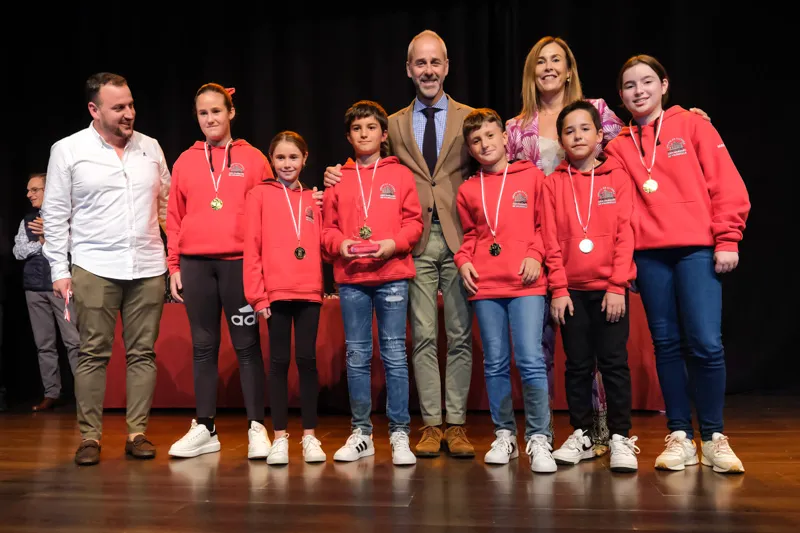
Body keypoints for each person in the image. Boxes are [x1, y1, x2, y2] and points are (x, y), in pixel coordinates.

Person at [505, 35, 710, 452]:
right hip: (541, 244)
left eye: (556, 60)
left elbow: (639, 139)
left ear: (568, 69)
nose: (547, 67)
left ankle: (607, 432)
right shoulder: (514, 128)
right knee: (551, 349)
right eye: (539, 61)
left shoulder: (598, 112)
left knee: (605, 353)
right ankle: (545, 434)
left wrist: (683, 119)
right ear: (531, 70)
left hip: (597, 243)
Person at [325, 30, 476, 458]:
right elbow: (367, 167)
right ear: (409, 69)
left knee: (460, 334)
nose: (428, 71)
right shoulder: (389, 122)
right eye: (420, 63)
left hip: (461, 237)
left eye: (435, 63)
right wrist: (335, 175)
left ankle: (458, 424)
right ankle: (430, 424)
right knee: (423, 336)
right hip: (414, 243)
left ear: (446, 67)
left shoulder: (469, 117)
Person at [604, 54, 750, 474]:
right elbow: (615, 206)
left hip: (696, 249)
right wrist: (625, 261)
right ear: (621, 95)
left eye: (647, 82)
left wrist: (728, 237)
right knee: (665, 345)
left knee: (705, 342)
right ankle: (680, 435)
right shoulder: (618, 146)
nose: (639, 91)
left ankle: (716, 436)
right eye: (630, 86)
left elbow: (726, 183)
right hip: (649, 256)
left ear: (664, 85)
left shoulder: (693, 125)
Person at [41, 72, 171, 465]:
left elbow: (167, 204)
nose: (129, 113)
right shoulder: (68, 149)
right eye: (119, 108)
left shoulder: (150, 148)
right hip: (94, 265)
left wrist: (174, 255)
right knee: (93, 353)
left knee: (142, 353)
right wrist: (59, 271)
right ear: (94, 110)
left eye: (131, 105)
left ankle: (137, 433)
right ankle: (90, 437)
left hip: (147, 265)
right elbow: (56, 213)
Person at [165, 83, 271, 460]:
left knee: (247, 348)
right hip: (195, 266)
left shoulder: (255, 159)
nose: (210, 118)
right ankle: (205, 427)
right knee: (203, 348)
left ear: (231, 113)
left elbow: (269, 215)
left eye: (216, 111)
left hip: (239, 266)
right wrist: (174, 265)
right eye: (203, 113)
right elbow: (173, 218)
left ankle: (257, 426)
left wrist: (262, 269)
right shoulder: (184, 161)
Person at [322, 100, 423, 466]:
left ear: (383, 134)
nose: (364, 134)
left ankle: (399, 433)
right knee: (357, 355)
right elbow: (327, 230)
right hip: (351, 278)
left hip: (392, 274)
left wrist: (392, 244)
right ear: (348, 137)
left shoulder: (400, 175)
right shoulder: (337, 178)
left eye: (370, 128)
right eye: (356, 129)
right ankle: (362, 432)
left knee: (395, 354)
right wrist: (340, 244)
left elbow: (414, 222)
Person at [454, 108, 556, 473]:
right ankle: (504, 435)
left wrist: (535, 254)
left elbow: (546, 224)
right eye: (476, 141)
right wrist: (463, 260)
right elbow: (470, 236)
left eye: (490, 136)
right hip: (486, 284)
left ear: (504, 137)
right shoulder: (468, 189)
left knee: (530, 359)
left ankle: (540, 437)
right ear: (470, 147)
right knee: (495, 363)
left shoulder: (531, 176)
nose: (484, 145)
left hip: (527, 282)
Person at [542, 101, 639, 472]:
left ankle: (620, 438)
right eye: (569, 131)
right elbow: (550, 240)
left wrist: (617, 285)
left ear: (600, 135)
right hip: (571, 293)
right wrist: (559, 288)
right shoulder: (553, 184)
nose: (577, 136)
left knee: (614, 364)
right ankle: (582, 432)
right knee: (577, 366)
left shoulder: (618, 178)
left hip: (610, 289)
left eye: (585, 129)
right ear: (561, 139)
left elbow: (625, 235)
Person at [243, 131, 327, 464]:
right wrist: (257, 297)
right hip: (275, 293)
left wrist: (323, 210)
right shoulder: (259, 195)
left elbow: (322, 245)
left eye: (293, 157)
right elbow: (251, 249)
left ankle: (310, 436)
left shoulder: (313, 199)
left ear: (305, 159)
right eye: (280, 157)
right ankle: (279, 437)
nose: (287, 164)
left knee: (307, 361)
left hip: (308, 290)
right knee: (277, 363)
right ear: (271, 160)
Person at [13, 173, 80, 412]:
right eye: (29, 190)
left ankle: (84, 395)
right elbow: (19, 251)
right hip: (34, 288)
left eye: (35, 189)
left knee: (73, 341)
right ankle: (52, 392)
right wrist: (41, 242)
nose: (29, 194)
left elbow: (78, 247)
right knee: (44, 344)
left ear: (48, 189)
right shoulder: (29, 219)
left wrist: (50, 235)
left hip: (62, 288)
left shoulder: (68, 217)